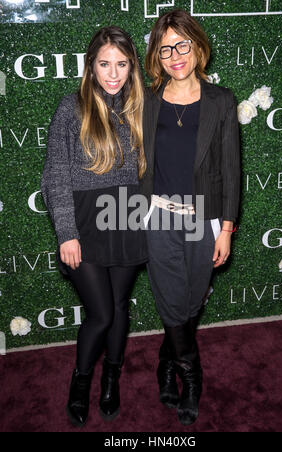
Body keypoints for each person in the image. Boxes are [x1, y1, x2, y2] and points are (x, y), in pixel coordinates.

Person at [41, 26, 147, 428]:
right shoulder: (71, 108)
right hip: (84, 223)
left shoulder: (140, 108)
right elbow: (56, 174)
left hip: (127, 217)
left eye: (121, 64)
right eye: (105, 64)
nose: (113, 73)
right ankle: (81, 382)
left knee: (119, 308)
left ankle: (111, 380)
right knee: (100, 314)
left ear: (132, 67)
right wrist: (66, 232)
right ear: (91, 66)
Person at [143, 9, 241, 426]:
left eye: (182, 44)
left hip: (203, 221)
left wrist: (227, 228)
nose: (175, 55)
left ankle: (166, 362)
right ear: (157, 56)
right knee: (171, 301)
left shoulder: (221, 101)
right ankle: (191, 377)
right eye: (165, 49)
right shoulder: (145, 101)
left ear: (198, 47)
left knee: (189, 303)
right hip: (158, 219)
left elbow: (232, 170)